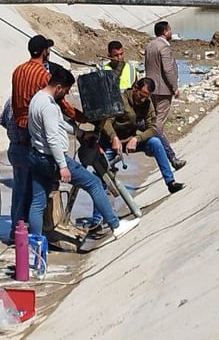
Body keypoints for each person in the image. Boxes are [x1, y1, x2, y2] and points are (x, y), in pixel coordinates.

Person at [27, 66, 138, 241]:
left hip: (36, 156)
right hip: (52, 159)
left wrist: (80, 133)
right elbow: (52, 138)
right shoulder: (48, 106)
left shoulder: (37, 99)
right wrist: (63, 166)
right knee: (93, 183)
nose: (66, 94)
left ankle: (34, 244)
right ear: (58, 87)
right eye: (66, 90)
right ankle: (116, 226)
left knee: (37, 201)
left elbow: (60, 123)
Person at [8, 34, 77, 237]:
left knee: (20, 185)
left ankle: (16, 230)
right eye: (48, 49)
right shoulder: (42, 75)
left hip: (18, 132)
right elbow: (61, 102)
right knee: (38, 188)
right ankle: (38, 230)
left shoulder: (17, 71)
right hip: (34, 132)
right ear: (44, 51)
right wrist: (79, 117)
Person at [100, 77, 184, 194]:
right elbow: (106, 122)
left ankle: (171, 182)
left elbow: (153, 128)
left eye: (146, 97)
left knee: (156, 143)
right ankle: (100, 210)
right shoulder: (120, 100)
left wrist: (136, 139)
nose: (143, 99)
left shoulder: (147, 104)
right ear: (135, 88)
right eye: (141, 95)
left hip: (130, 141)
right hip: (111, 143)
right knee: (101, 172)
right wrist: (113, 137)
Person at [143, 21, 185, 170]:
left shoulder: (150, 46)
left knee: (154, 119)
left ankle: (156, 146)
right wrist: (174, 87)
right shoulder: (164, 47)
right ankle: (165, 153)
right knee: (158, 123)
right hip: (163, 89)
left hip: (150, 88)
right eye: (170, 30)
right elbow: (168, 70)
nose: (171, 32)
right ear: (166, 31)